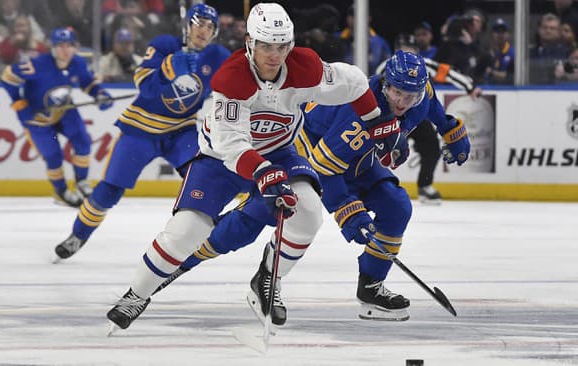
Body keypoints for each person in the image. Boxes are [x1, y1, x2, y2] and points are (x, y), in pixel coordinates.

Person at [106, 2, 397, 332]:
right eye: (265, 46)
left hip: (279, 154)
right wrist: (262, 173)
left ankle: (268, 278)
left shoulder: (306, 68)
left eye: (281, 46)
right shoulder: (231, 78)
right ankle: (136, 295)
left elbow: (355, 82)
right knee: (188, 230)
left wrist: (377, 120)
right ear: (249, 43)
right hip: (220, 161)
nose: (273, 55)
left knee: (309, 212)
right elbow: (232, 145)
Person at [153, 50, 471, 321]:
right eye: (397, 94)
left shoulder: (420, 95)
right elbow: (326, 170)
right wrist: (351, 214)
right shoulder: (358, 115)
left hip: (356, 157)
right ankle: (184, 258)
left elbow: (432, 110)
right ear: (385, 85)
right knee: (256, 218)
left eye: (411, 96)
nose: (403, 102)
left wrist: (451, 130)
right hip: (311, 155)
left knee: (396, 206)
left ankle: (371, 287)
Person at [52, 4, 230, 260]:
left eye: (210, 26)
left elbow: (237, 83)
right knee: (109, 190)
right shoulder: (165, 44)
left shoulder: (218, 56)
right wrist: (170, 68)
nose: (204, 30)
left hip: (180, 131)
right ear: (188, 25)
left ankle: (207, 232)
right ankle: (77, 235)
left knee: (202, 177)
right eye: (199, 23)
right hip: (140, 129)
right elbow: (145, 86)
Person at [1, 27, 114, 207]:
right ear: (53, 48)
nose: (65, 50)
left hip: (64, 111)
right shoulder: (37, 64)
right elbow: (8, 77)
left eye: (69, 45)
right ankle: (61, 191)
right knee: (53, 156)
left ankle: (81, 182)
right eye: (60, 45)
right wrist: (18, 102)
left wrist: (100, 94)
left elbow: (87, 82)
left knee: (83, 141)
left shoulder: (78, 63)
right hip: (36, 119)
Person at [377, 34, 479, 204]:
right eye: (403, 48)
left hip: (415, 114)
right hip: (386, 118)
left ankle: (425, 185)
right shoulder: (386, 68)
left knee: (431, 147)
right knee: (376, 154)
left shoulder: (423, 68)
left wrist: (449, 126)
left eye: (411, 49)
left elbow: (447, 73)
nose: (408, 52)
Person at [335, 4, 391, 75]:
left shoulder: (380, 43)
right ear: (347, 18)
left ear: (369, 18)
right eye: (351, 14)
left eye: (359, 14)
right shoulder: (336, 39)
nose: (355, 18)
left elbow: (386, 69)